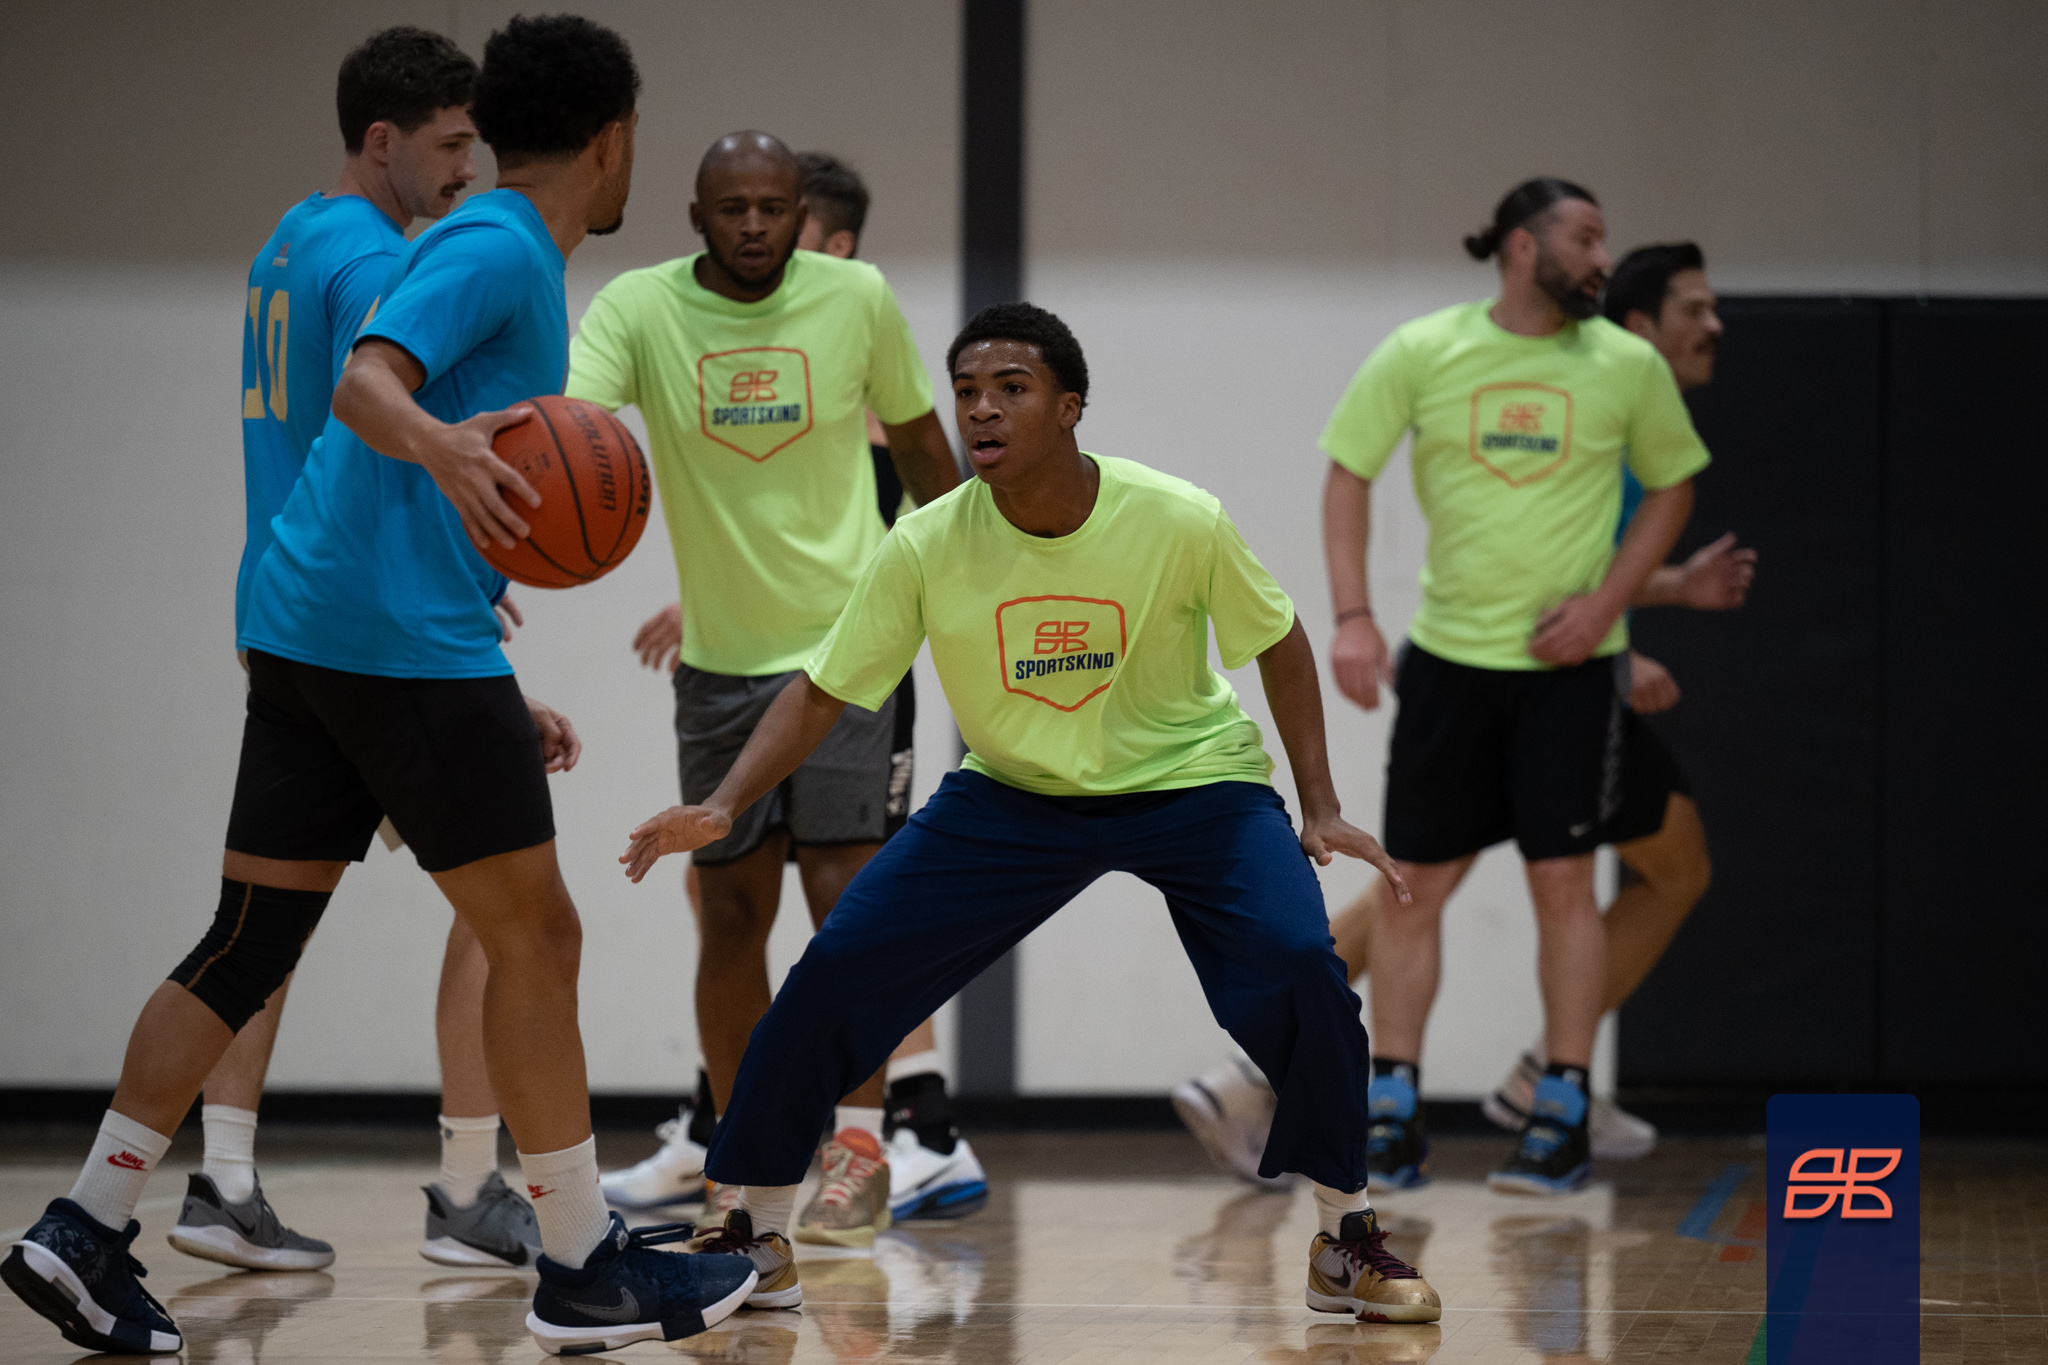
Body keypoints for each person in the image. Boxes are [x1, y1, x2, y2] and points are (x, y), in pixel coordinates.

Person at [3, 18, 758, 1358]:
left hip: (318, 630)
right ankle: (580, 1262)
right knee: (538, 939)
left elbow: (380, 455)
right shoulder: (499, 245)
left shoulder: (486, 246)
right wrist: (448, 455)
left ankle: (85, 1223)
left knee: (249, 941)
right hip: (392, 646)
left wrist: (479, 642)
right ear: (614, 141)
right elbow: (365, 384)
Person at [623, 302, 1443, 1326]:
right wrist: (721, 802)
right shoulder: (926, 540)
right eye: (966, 391)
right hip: (1013, 794)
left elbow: (1275, 637)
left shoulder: (1176, 516)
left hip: (1192, 783)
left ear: (1068, 407)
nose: (981, 409)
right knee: (838, 969)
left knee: (1299, 967)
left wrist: (1317, 805)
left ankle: (1344, 1236)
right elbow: (825, 688)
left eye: (1009, 388)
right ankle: (756, 1227)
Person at [1174, 241, 1754, 1179]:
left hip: (1551, 673)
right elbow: (1546, 576)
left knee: (1628, 866)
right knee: (1435, 883)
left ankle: (1514, 1077)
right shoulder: (1596, 396)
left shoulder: (1630, 404)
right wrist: (1619, 637)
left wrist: (1668, 590)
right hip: (1525, 676)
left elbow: (1591, 571)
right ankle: (1298, 1075)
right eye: (1695, 308)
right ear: (1637, 326)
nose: (1713, 325)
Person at [173, 24, 542, 1280]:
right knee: (509, 910)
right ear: (382, 141)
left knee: (266, 921)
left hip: (282, 609)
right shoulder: (381, 260)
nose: (467, 172)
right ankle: (469, 1187)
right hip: (362, 620)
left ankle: (225, 1176)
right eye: (449, 146)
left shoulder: (289, 239)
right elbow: (370, 420)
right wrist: (450, 568)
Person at [566, 131, 961, 1247]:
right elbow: (569, 433)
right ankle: (742, 1164)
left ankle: (858, 1148)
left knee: (850, 908)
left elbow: (923, 452)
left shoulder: (856, 299)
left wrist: (970, 587)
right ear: (696, 215)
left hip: (852, 652)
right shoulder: (640, 308)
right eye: (731, 207)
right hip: (720, 667)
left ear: (800, 216)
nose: (752, 225)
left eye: (772, 207)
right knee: (731, 916)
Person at [1318, 179, 1711, 1197]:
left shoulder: (1624, 364)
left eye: (1604, 240)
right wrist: (1353, 615)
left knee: (1563, 886)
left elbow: (1673, 488)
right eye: (1585, 238)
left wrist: (1605, 605)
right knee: (1409, 887)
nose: (1601, 257)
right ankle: (1391, 1112)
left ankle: (1559, 1113)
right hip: (1448, 666)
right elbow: (1347, 472)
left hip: (1568, 675)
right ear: (1523, 249)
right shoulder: (1424, 349)